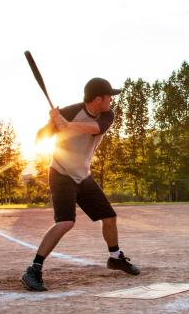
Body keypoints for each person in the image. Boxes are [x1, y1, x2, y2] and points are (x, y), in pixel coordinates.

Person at [21, 77, 140, 292]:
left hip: (83, 175)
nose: (111, 101)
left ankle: (115, 257)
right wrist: (52, 124)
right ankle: (34, 269)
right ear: (98, 98)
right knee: (65, 222)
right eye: (108, 97)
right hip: (61, 173)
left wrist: (67, 124)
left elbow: (95, 128)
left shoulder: (107, 115)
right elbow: (39, 138)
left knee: (110, 218)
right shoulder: (70, 111)